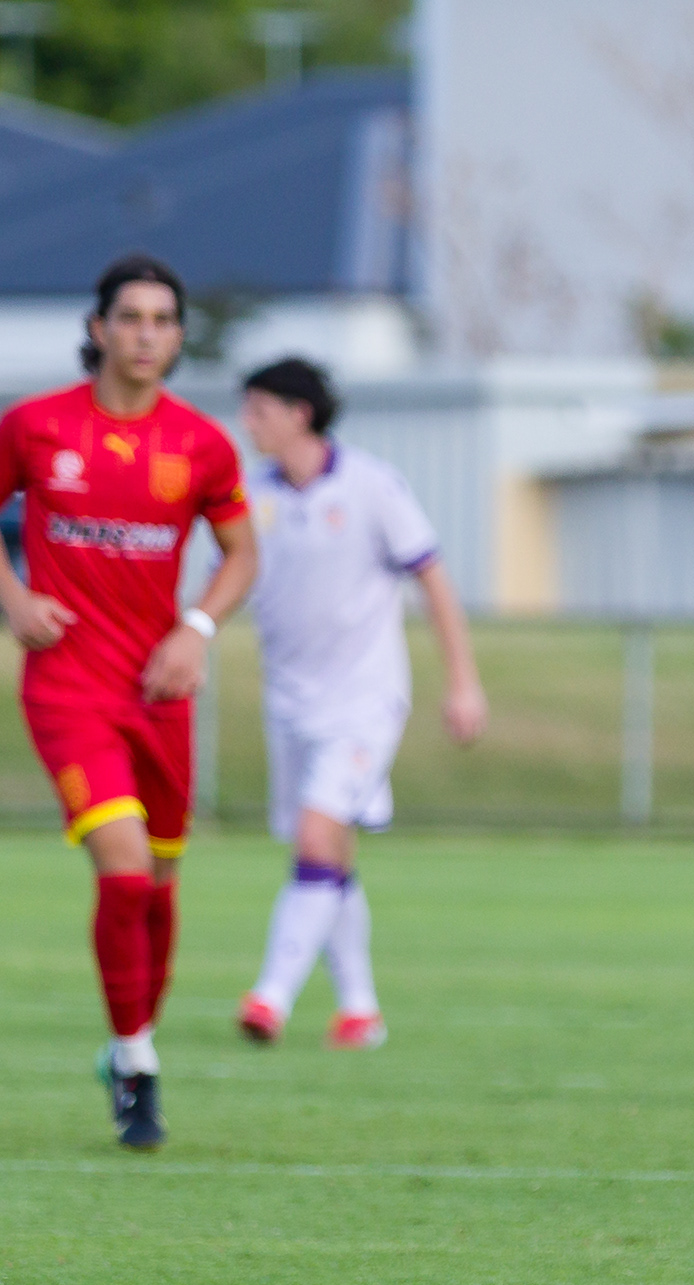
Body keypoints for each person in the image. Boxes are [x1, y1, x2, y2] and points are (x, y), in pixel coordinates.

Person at [0, 252, 256, 1151]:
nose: (146, 334)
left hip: (159, 692)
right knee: (121, 871)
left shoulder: (201, 445)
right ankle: (135, 1061)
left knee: (156, 889)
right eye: (130, 318)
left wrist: (196, 627)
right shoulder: (37, 426)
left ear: (179, 336)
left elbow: (242, 552)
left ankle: (133, 1035)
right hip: (68, 687)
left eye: (162, 320)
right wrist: (13, 598)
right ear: (99, 329)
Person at [233, 357, 486, 1050]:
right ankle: (359, 1011)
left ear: (299, 414)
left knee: (316, 838)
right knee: (328, 854)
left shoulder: (371, 485)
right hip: (289, 703)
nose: (247, 424)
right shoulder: (252, 495)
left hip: (364, 702)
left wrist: (463, 682)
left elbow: (433, 579)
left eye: (258, 410)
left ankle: (270, 997)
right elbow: (230, 576)